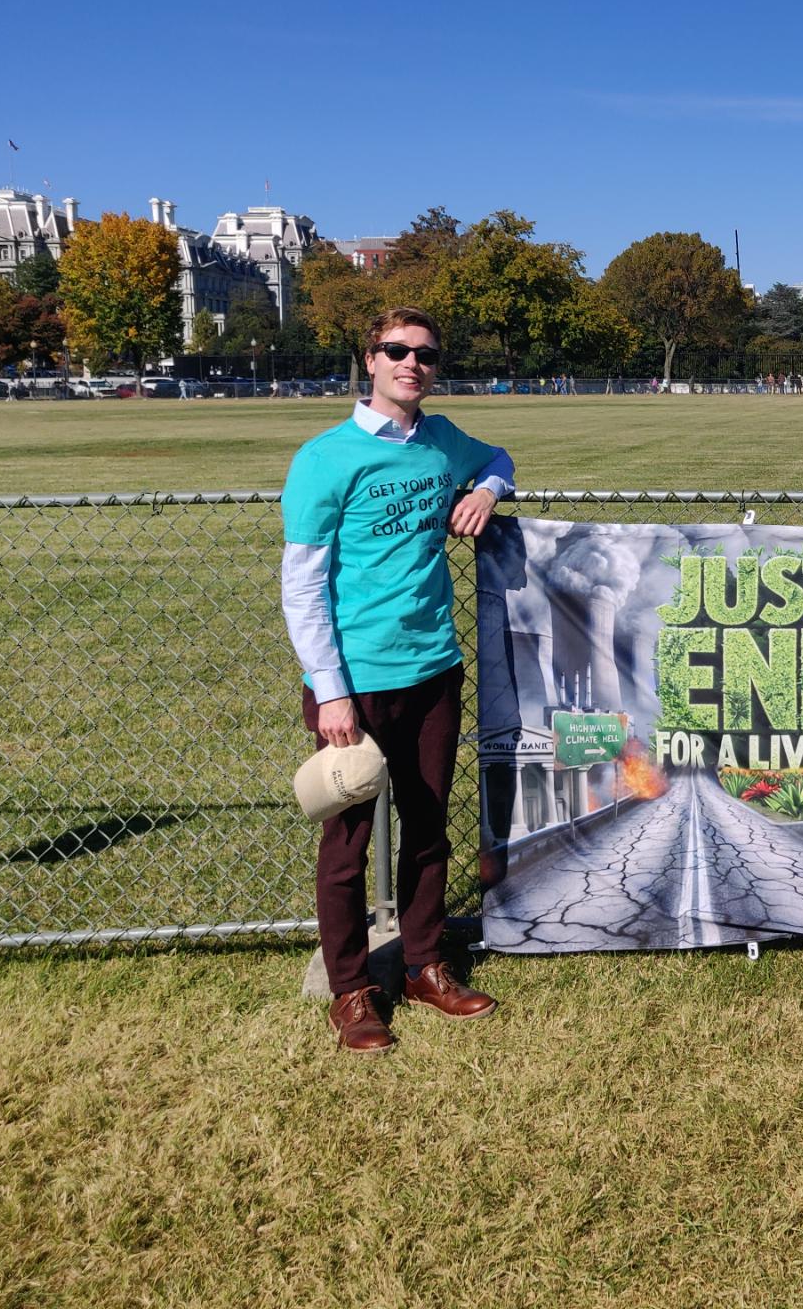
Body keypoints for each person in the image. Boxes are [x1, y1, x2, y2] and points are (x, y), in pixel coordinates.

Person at [280, 306, 515, 1053]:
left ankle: (422, 965)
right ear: (371, 360)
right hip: (353, 679)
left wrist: (484, 493)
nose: (412, 363)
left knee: (427, 825)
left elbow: (500, 457)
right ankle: (352, 991)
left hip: (434, 669)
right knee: (346, 842)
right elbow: (303, 585)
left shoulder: (442, 442)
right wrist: (331, 689)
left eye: (427, 355)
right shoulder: (325, 457)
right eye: (397, 351)